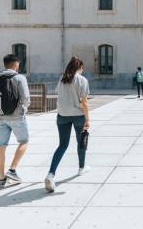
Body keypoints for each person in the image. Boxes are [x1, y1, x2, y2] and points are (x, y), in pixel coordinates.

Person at [45, 57, 90, 193]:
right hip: (78, 115)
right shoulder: (82, 80)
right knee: (80, 142)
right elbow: (84, 102)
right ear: (79, 67)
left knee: (62, 145)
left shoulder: (62, 79)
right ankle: (81, 168)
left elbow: (58, 94)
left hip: (62, 115)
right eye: (82, 68)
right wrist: (88, 119)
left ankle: (50, 174)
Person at [0, 54, 31, 189]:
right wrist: (22, 110)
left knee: (1, 146)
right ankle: (12, 170)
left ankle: (2, 179)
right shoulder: (19, 78)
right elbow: (26, 99)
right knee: (24, 141)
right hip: (16, 116)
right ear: (15, 65)